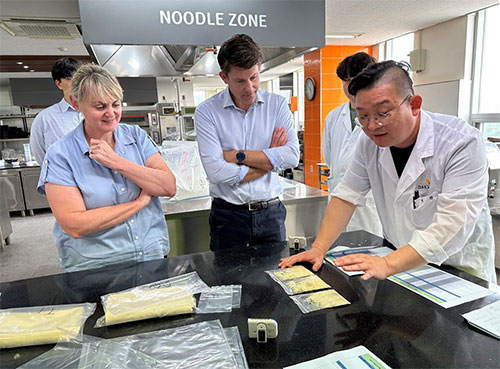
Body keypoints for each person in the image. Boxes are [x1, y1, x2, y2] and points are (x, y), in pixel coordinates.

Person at [281, 60, 496, 283]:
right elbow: (347, 195)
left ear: (414, 104)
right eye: (363, 116)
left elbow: (453, 225)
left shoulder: (460, 142)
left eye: (383, 113)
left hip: (457, 266)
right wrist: (319, 248)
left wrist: (386, 263)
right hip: (401, 259)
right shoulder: (369, 143)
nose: (372, 126)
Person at [37, 64, 176, 272]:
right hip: (96, 266)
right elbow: (75, 224)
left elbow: (168, 187)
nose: (111, 113)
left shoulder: (136, 137)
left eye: (116, 104)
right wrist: (140, 202)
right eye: (100, 107)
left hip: (151, 256)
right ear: (76, 104)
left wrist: (116, 162)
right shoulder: (60, 155)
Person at [194, 34, 300, 254]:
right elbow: (217, 172)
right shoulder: (207, 112)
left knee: (275, 283)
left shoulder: (277, 105)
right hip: (228, 216)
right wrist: (269, 159)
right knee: (227, 283)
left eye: (254, 77)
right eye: (240, 81)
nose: (250, 88)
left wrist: (237, 156)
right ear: (224, 77)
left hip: (271, 214)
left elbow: (291, 156)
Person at [322, 52, 383, 237]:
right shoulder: (333, 117)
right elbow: (330, 157)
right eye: (345, 80)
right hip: (338, 203)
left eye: (354, 79)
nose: (349, 86)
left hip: (369, 206)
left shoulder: (382, 116)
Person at [30, 57, 82, 164]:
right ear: (59, 84)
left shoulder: (97, 112)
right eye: (69, 78)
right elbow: (40, 156)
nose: (76, 83)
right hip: (63, 179)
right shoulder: (45, 118)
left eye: (79, 78)